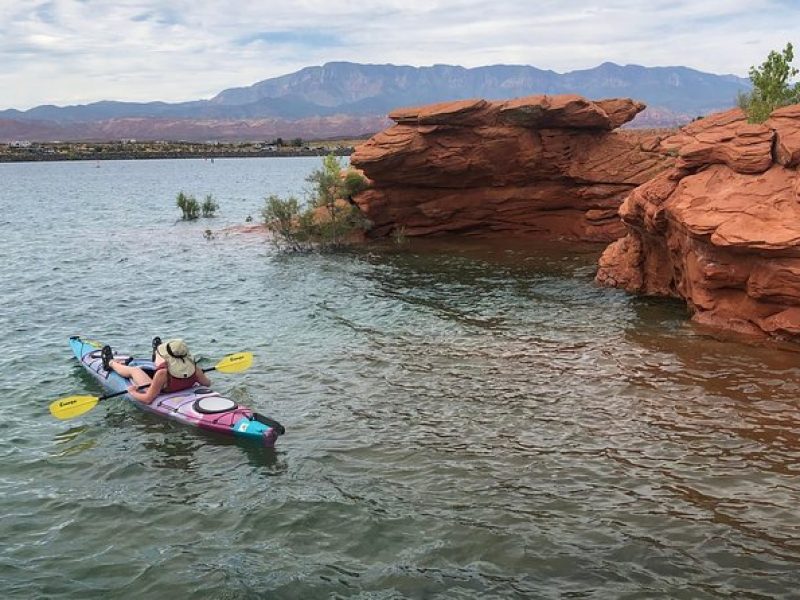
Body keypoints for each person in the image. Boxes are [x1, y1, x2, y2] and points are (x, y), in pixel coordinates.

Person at [102, 339, 211, 404]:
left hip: (164, 390)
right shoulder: (194, 367)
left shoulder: (162, 373)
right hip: (179, 385)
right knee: (165, 367)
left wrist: (132, 392)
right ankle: (156, 356)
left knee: (135, 371)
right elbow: (207, 383)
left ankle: (110, 363)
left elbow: (148, 399)